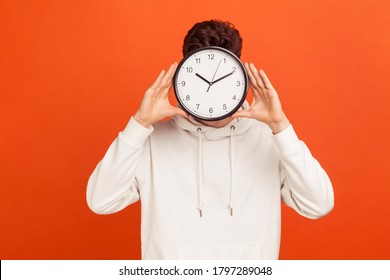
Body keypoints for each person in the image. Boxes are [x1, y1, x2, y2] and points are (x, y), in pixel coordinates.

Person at [86, 20, 334, 260]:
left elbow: (318, 204)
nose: (212, 94)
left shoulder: (269, 139)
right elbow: (100, 201)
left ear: (240, 77)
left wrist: (281, 127)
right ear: (183, 79)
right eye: (202, 81)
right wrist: (139, 124)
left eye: (222, 81)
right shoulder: (151, 141)